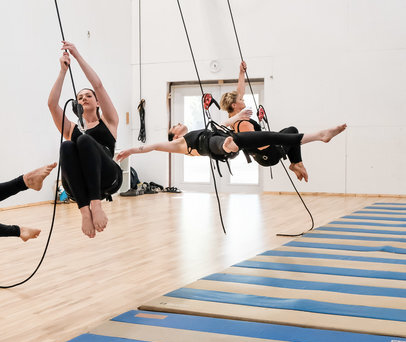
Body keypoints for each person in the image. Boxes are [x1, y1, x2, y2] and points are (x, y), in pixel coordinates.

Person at [47, 41, 122, 238]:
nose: (84, 98)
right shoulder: (72, 128)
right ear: (76, 106)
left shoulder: (109, 121)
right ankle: (84, 211)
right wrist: (62, 72)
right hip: (80, 185)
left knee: (84, 141)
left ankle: (96, 205)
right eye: (80, 97)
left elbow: (98, 85)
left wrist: (77, 56)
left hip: (106, 177)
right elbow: (52, 104)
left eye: (88, 96)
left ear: (97, 102)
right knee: (67, 145)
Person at [115, 122, 347, 174]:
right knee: (223, 142)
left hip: (227, 143)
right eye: (175, 125)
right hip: (218, 147)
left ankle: (299, 157)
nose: (178, 124)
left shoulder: (196, 130)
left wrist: (238, 116)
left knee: (283, 134)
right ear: (174, 134)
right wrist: (130, 151)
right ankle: (319, 136)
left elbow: (221, 125)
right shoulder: (178, 143)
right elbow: (152, 147)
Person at [219, 61, 309, 181]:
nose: (244, 99)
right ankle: (297, 163)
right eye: (242, 99)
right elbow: (260, 146)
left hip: (265, 155)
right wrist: (272, 137)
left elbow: (240, 91)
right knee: (292, 131)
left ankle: (296, 164)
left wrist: (241, 72)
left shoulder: (234, 118)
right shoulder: (243, 124)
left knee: (288, 132)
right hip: (269, 155)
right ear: (235, 105)